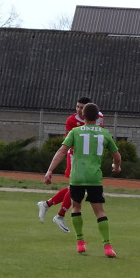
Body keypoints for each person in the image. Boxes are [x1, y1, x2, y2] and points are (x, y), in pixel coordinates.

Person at [43, 102, 122, 257]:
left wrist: (50, 170)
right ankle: (107, 246)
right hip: (94, 178)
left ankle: (80, 243)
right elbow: (117, 156)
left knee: (76, 208)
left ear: (83, 116)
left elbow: (61, 151)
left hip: (77, 177)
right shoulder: (104, 133)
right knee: (99, 212)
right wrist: (117, 167)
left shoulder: (75, 131)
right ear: (98, 117)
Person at [37, 96, 104, 233]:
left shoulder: (99, 117)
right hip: (75, 157)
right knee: (77, 188)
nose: (79, 110)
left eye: (81, 107)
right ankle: (59, 215)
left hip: (88, 160)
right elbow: (68, 144)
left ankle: (47, 204)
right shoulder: (71, 120)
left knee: (75, 188)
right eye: (77, 106)